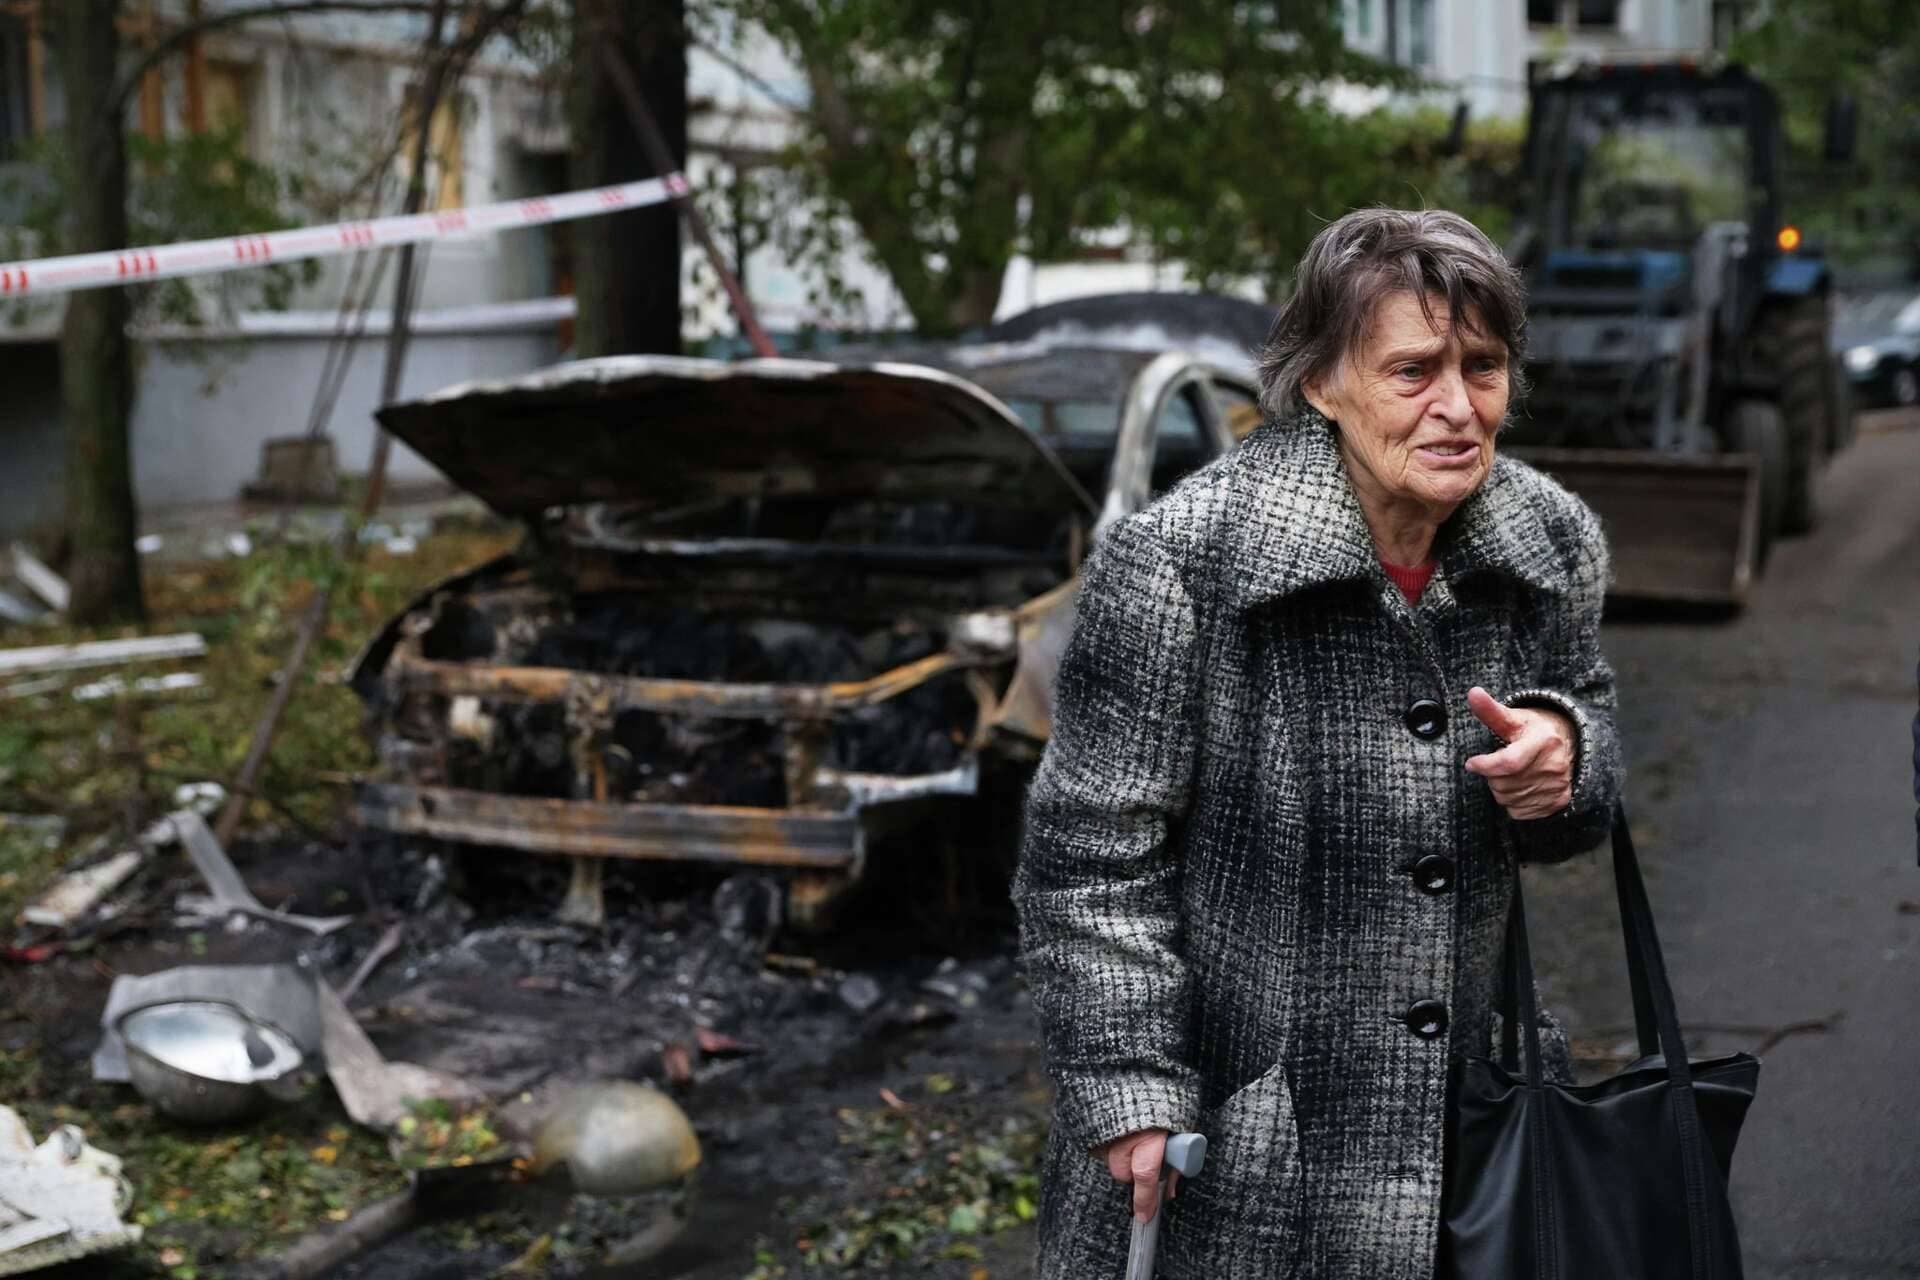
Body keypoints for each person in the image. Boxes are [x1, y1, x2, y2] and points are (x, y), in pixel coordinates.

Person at [1013, 207, 1622, 1279]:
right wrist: (1129, 1085)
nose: (1457, 407)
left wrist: (1568, 755)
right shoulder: (1181, 563)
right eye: (1413, 369)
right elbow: (1087, 860)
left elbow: (1588, 736)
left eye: (1483, 367)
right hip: (1237, 1147)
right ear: (1321, 380)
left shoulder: (1550, 542)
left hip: (1461, 1141)